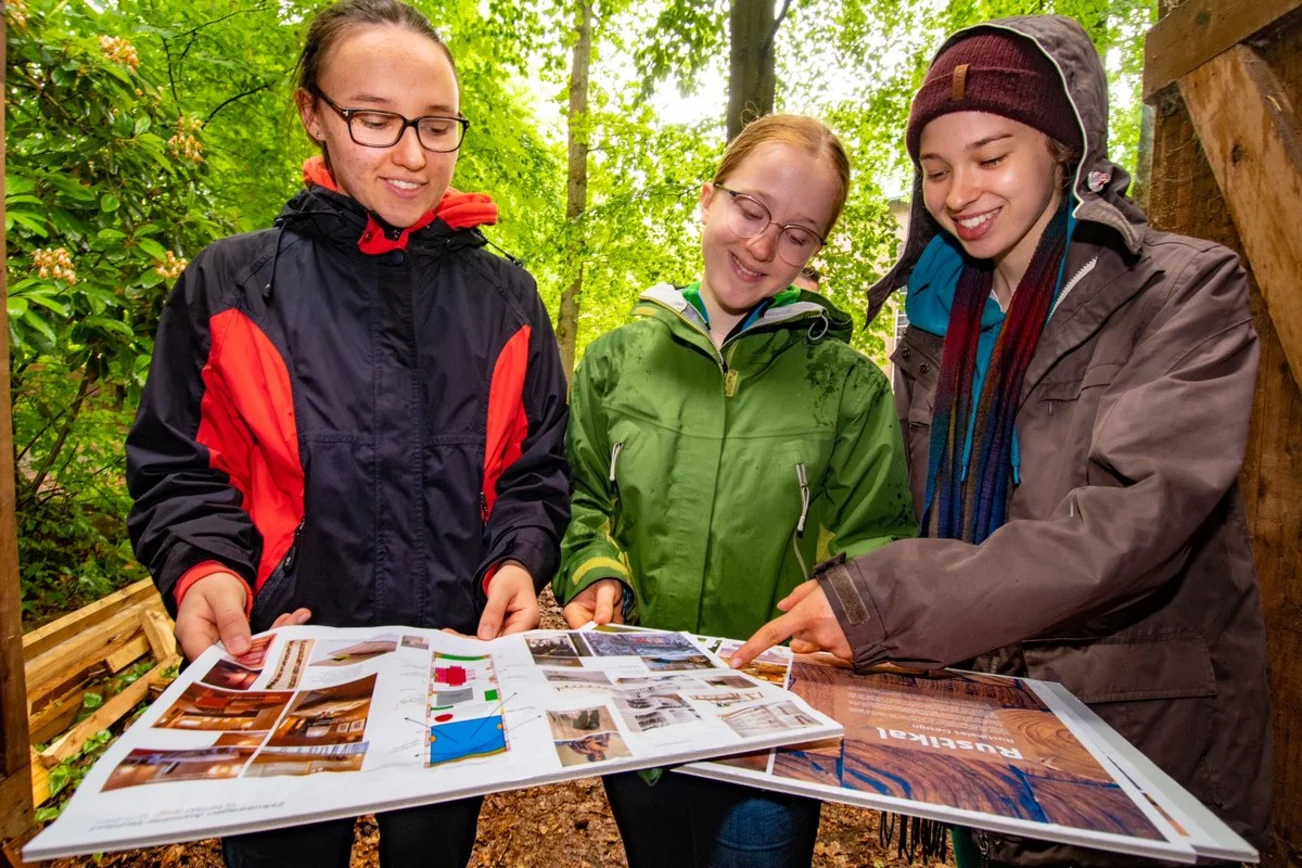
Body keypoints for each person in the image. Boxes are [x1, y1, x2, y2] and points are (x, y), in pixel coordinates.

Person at [731, 15, 1272, 865]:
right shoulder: (931, 332)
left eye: (992, 157)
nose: (959, 193)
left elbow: (1132, 527)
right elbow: (908, 517)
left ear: (1064, 150)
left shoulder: (1183, 292)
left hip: (1137, 747)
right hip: (975, 741)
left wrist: (887, 602)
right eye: (936, 170)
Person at [125, 1, 569, 865]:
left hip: (452, 665)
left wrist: (519, 559)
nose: (412, 154)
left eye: (436, 126)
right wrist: (207, 571)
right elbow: (179, 466)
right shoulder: (230, 284)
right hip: (280, 660)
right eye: (375, 119)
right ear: (313, 114)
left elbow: (537, 470)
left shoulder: (508, 301)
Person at [555, 114, 915, 868]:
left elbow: (878, 537)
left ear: (817, 249)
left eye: (798, 233)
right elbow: (582, 500)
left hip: (773, 726)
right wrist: (596, 570)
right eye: (751, 211)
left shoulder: (844, 386)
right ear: (708, 198)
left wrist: (847, 604)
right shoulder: (616, 363)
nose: (761, 247)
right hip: (639, 713)